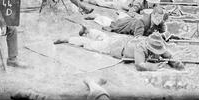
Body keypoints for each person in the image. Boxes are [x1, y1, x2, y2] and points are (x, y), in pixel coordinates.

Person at [54, 31, 184, 71]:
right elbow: (140, 65)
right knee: (92, 45)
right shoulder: (141, 48)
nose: (159, 51)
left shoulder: (156, 42)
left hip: (122, 40)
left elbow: (168, 54)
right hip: (116, 47)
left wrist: (176, 63)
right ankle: (68, 38)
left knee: (104, 38)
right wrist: (153, 66)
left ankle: (89, 31)